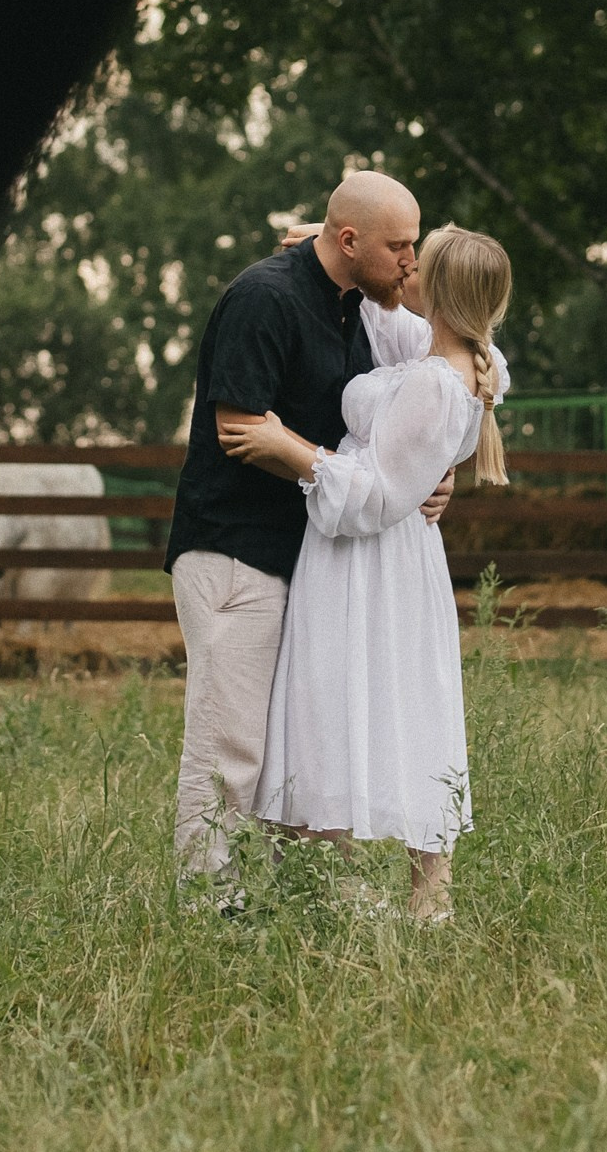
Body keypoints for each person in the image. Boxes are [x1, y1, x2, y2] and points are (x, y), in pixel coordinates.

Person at [163, 170, 448, 893]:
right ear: (348, 241)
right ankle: (210, 909)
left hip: (306, 556)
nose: (410, 262)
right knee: (231, 744)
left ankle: (295, 901)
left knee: (300, 740)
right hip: (237, 550)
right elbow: (239, 428)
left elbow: (440, 363)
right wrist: (360, 482)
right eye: (399, 247)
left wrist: (419, 474)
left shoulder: (356, 303)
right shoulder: (265, 299)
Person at [228, 225, 512, 924]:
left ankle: (419, 897)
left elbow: (378, 497)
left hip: (369, 559)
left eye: (418, 258)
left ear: (436, 291)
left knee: (362, 700)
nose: (404, 264)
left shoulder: (434, 381)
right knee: (348, 703)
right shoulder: (440, 356)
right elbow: (403, 329)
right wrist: (326, 247)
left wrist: (289, 449)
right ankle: (337, 884)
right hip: (376, 559)